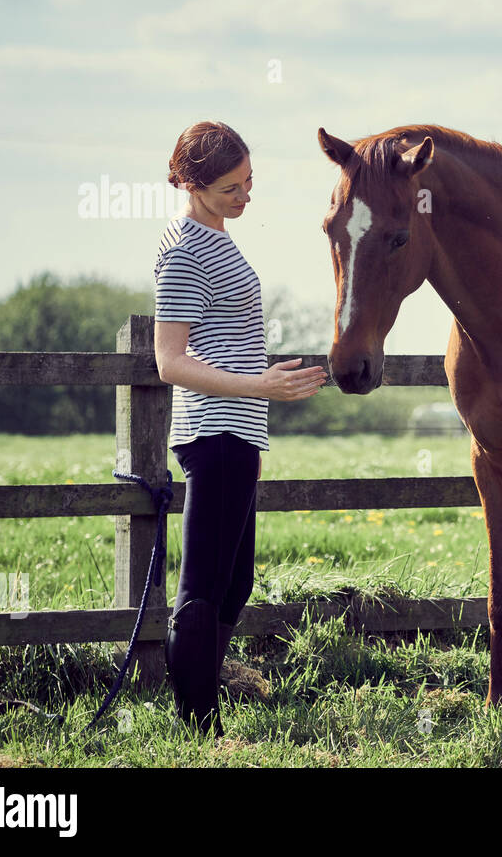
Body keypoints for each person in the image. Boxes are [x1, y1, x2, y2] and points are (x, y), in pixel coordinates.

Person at [153, 121, 326, 735]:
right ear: (193, 184)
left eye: (250, 181)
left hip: (240, 432)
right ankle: (199, 728)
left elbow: (223, 341)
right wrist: (259, 387)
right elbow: (170, 360)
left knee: (235, 582)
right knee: (203, 587)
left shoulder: (217, 238)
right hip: (214, 431)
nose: (246, 195)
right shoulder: (184, 251)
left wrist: (264, 386)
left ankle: (204, 705)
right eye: (232, 186)